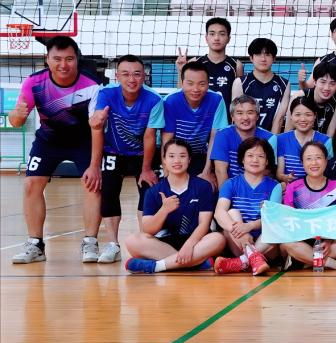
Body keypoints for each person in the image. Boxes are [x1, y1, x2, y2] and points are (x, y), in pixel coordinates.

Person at [10, 36, 101, 264]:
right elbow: (16, 121)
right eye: (57, 59)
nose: (63, 65)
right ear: (47, 59)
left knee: (93, 184)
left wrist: (94, 166)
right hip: (49, 140)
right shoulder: (33, 83)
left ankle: (90, 242)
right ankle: (35, 245)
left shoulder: (92, 85)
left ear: (76, 59)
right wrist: (16, 115)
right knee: (31, 184)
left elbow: (97, 128)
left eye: (69, 59)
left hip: (83, 140)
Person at [85, 54, 164, 264]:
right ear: (117, 76)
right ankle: (113, 245)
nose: (132, 79)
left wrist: (146, 168)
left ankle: (146, 243)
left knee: (148, 194)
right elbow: (97, 126)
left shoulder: (154, 99)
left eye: (137, 74)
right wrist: (94, 165)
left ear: (144, 76)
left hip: (142, 154)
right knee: (109, 193)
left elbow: (150, 136)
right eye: (126, 74)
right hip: (113, 151)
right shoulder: (106, 94)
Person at [123, 139, 226, 273]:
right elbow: (148, 229)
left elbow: (204, 224)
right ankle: (196, 263)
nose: (177, 161)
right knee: (132, 241)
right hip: (165, 244)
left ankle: (157, 266)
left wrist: (189, 245)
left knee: (218, 239)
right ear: (164, 160)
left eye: (182, 156)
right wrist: (164, 210)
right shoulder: (153, 191)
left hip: (196, 242)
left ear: (189, 160)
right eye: (171, 156)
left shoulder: (203, 186)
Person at [278, 142, 336, 271]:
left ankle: (304, 261)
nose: (314, 163)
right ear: (302, 163)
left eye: (318, 157)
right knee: (286, 243)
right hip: (302, 240)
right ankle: (333, 263)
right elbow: (288, 220)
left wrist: (329, 241)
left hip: (327, 240)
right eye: (309, 158)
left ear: (326, 161)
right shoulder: (293, 187)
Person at [212, 137, 279, 275]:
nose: (255, 160)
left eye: (260, 156)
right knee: (232, 212)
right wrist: (241, 233)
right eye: (250, 155)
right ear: (242, 159)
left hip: (265, 244)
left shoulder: (275, 186)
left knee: (277, 224)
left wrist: (249, 226)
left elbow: (272, 219)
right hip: (238, 242)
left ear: (267, 161)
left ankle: (243, 261)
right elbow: (219, 213)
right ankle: (251, 257)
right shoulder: (230, 184)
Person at [161, 61, 228, 184]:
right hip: (175, 153)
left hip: (199, 153)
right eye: (190, 83)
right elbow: (166, 139)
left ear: (208, 83)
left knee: (206, 186)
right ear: (182, 83)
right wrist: (167, 170)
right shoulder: (170, 101)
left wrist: (207, 171)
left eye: (201, 84)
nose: (196, 89)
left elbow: (215, 137)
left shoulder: (216, 100)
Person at [210, 95, 275, 187]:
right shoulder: (222, 135)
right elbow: (220, 171)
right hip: (230, 187)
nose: (245, 117)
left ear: (257, 116)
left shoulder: (269, 138)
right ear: (232, 116)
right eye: (239, 113)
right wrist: (226, 194)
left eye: (250, 113)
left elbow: (267, 172)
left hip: (258, 188)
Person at [176, 17, 243, 106]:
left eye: (222, 34)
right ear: (206, 38)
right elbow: (182, 92)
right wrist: (181, 71)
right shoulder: (195, 62)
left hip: (225, 114)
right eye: (212, 34)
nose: (216, 38)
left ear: (228, 38)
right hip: (199, 113)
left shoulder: (236, 65)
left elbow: (239, 98)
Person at [233, 38, 289, 134]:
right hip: (245, 138)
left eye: (267, 54)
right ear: (251, 58)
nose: (263, 59)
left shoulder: (284, 84)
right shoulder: (240, 82)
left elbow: (279, 118)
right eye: (258, 54)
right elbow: (237, 116)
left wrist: (271, 140)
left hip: (269, 137)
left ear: (274, 58)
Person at [275, 97, 333, 183]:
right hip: (290, 189)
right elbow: (279, 173)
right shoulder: (281, 139)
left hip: (316, 188)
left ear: (315, 116)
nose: (302, 119)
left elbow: (327, 173)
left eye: (308, 115)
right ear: (291, 116)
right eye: (297, 115)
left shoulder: (325, 141)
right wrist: (285, 177)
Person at [289, 63, 336, 136]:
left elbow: (330, 133)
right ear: (314, 82)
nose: (327, 88)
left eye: (332, 83)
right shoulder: (299, 96)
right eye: (323, 82)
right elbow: (288, 131)